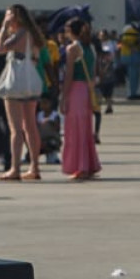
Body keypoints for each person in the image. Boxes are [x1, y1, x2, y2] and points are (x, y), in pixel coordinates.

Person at [0, 5, 47, 181]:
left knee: (16, 129)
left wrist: (3, 27)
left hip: (16, 84)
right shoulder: (33, 35)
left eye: (9, 15)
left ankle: (15, 168)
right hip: (29, 83)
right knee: (30, 126)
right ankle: (34, 166)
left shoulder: (21, 34)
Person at [57, 16, 101, 181]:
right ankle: (88, 164)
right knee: (85, 129)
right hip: (87, 89)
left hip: (76, 89)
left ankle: (80, 166)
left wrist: (63, 96)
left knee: (74, 129)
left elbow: (69, 74)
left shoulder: (72, 48)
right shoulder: (90, 47)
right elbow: (94, 71)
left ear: (70, 31)